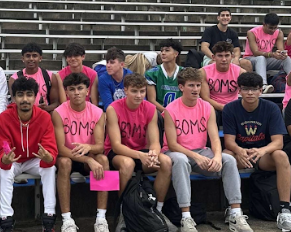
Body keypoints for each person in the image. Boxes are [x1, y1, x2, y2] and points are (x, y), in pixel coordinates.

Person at [163, 67, 253, 232]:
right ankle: (186, 217)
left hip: (202, 151)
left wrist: (217, 156)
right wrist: (195, 157)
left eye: (198, 85)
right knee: (181, 161)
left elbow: (214, 139)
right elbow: (172, 144)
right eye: (191, 85)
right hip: (177, 152)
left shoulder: (207, 107)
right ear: (181, 87)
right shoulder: (171, 109)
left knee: (229, 160)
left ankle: (235, 213)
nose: (196, 89)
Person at [105, 73, 176, 232]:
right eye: (134, 91)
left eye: (142, 91)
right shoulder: (113, 108)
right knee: (127, 163)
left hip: (141, 152)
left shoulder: (150, 108)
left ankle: (156, 210)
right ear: (125, 91)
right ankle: (125, 212)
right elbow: (115, 145)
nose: (139, 95)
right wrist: (141, 156)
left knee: (165, 161)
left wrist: (152, 154)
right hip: (118, 153)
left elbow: (155, 142)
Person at [222, 72, 291, 231]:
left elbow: (278, 142)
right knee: (226, 156)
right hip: (240, 154)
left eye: (254, 89)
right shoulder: (230, 108)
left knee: (281, 156)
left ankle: (285, 210)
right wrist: (239, 151)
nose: (250, 93)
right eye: (246, 89)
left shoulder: (271, 108)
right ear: (239, 90)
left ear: (261, 90)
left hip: (262, 155)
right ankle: (232, 209)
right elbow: (229, 141)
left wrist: (261, 151)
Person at [52, 73, 109, 232]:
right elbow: (60, 148)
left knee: (103, 160)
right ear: (67, 92)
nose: (76, 92)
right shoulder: (58, 112)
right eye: (72, 89)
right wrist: (87, 160)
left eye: (80, 88)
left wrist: (89, 149)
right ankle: (67, 219)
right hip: (68, 156)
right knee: (64, 162)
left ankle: (101, 218)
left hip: (89, 154)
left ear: (87, 90)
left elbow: (100, 146)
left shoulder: (98, 112)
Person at [0, 77, 58, 231]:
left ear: (35, 97)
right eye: (20, 94)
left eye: (29, 94)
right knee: (4, 170)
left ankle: (49, 218)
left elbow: (50, 148)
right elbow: (4, 145)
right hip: (15, 159)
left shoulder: (44, 117)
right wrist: (5, 158)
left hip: (34, 159)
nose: (25, 99)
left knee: (50, 168)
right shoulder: (4, 118)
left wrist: (48, 157)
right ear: (14, 97)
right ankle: (5, 219)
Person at [200, 41, 246, 126]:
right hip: (212, 107)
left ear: (232, 56)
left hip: (233, 106)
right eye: (220, 56)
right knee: (211, 113)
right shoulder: (204, 72)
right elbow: (205, 98)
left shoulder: (240, 72)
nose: (224, 59)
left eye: (227, 56)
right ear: (213, 57)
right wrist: (223, 107)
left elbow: (247, 94)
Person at [244, 13, 291, 93]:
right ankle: (263, 85)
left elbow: (280, 49)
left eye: (275, 28)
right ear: (264, 25)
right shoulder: (252, 32)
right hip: (251, 59)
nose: (273, 30)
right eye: (270, 28)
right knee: (260, 58)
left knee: (286, 58)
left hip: (267, 59)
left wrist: (282, 54)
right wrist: (272, 54)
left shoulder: (279, 33)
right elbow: (255, 52)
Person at [8, 42, 59, 113]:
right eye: (28, 56)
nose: (31, 59)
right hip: (22, 114)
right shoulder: (14, 79)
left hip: (44, 114)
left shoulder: (49, 76)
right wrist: (33, 109)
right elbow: (14, 102)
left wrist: (46, 108)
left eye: (34, 56)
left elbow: (56, 102)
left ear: (40, 58)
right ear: (23, 58)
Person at [200, 8, 252, 72]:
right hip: (211, 57)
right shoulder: (209, 30)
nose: (225, 17)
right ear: (218, 18)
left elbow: (237, 49)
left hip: (228, 57)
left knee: (246, 63)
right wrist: (214, 57)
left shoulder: (233, 33)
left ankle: (250, 81)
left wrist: (236, 59)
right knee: (215, 64)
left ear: (230, 18)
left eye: (227, 15)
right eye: (222, 15)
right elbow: (204, 47)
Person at [145, 38, 183, 112]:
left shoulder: (184, 73)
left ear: (176, 54)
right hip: (159, 113)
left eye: (167, 50)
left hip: (180, 112)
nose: (163, 53)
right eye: (162, 50)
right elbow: (151, 100)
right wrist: (167, 113)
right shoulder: (152, 73)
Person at [98, 47, 133, 111]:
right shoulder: (103, 79)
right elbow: (108, 105)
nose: (108, 65)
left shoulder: (131, 76)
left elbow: (139, 100)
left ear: (122, 64)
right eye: (107, 62)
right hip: (113, 113)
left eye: (112, 62)